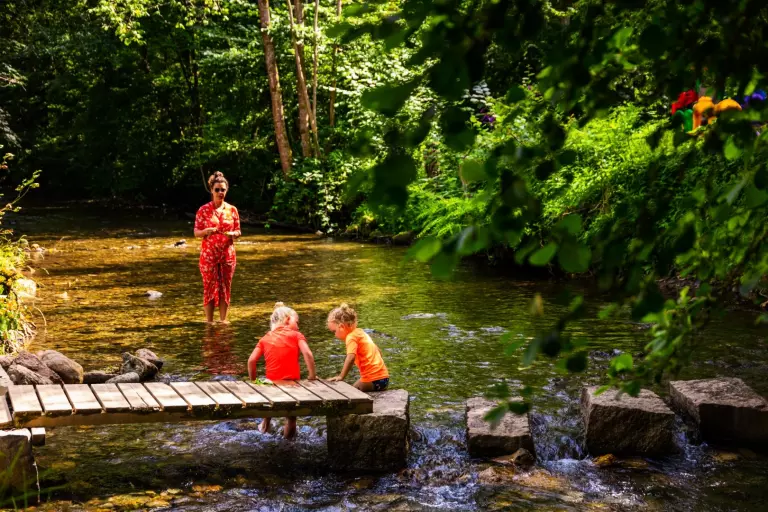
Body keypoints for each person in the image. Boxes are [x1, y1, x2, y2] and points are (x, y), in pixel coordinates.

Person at [247, 302, 317, 439]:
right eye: (297, 322)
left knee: (269, 405)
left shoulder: (265, 338)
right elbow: (308, 354)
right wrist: (312, 375)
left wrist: (253, 381)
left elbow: (251, 361)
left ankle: (265, 426)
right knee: (291, 417)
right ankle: (288, 444)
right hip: (292, 385)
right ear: (287, 319)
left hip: (271, 385)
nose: (298, 326)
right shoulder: (296, 335)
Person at [194, 172, 241, 323]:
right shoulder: (203, 210)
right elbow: (196, 232)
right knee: (209, 287)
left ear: (227, 190)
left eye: (223, 189)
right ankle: (209, 322)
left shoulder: (232, 210)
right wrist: (205, 232)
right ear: (211, 190)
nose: (220, 192)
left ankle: (223, 321)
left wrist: (233, 234)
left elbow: (238, 231)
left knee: (225, 287)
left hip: (227, 255)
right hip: (209, 256)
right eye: (217, 189)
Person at [326, 303, 389, 391]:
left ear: (342, 327)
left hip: (373, 379)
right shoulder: (360, 332)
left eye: (334, 331)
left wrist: (341, 376)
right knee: (354, 387)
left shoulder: (351, 337)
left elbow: (351, 358)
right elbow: (378, 351)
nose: (335, 335)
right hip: (384, 377)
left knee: (351, 393)